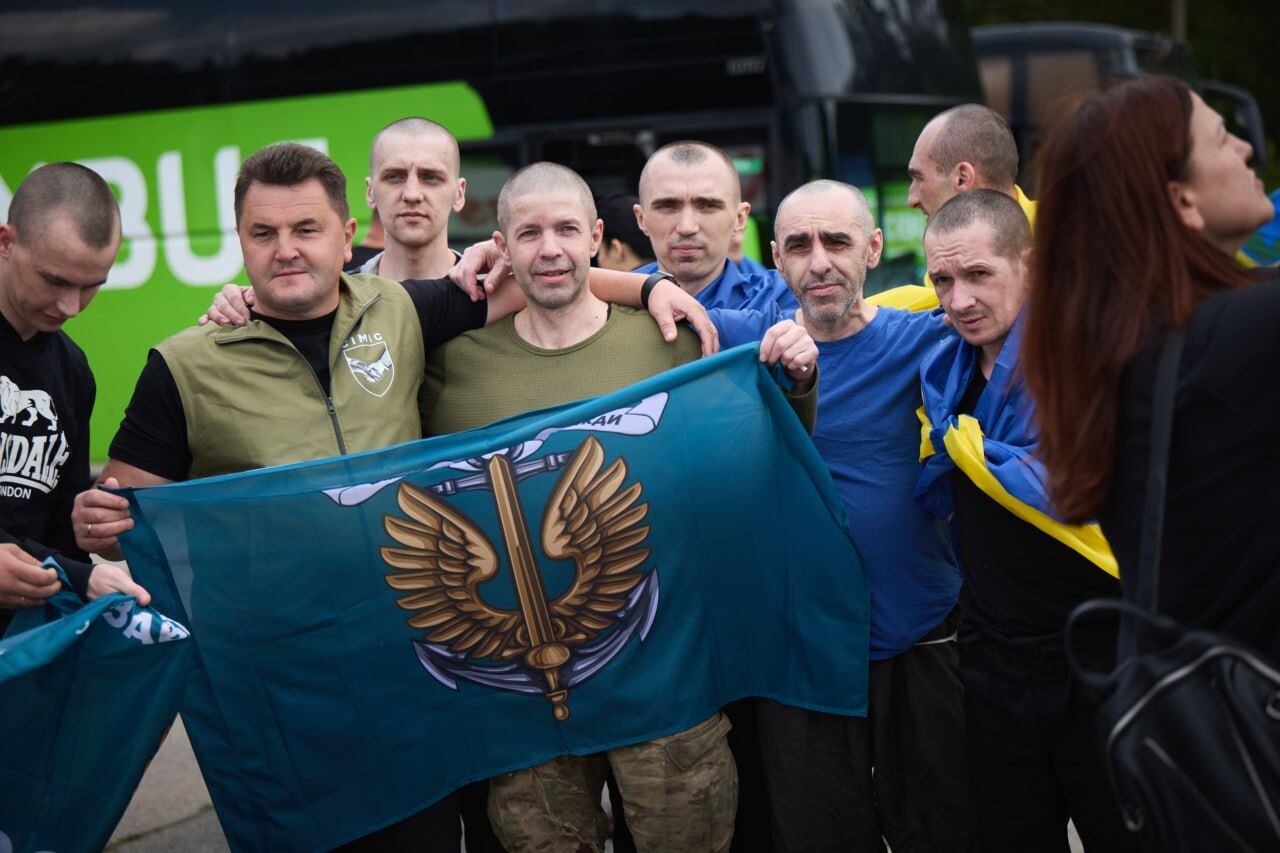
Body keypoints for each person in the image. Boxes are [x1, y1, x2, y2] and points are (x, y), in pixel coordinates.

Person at [421, 161, 818, 853]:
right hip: (526, 708)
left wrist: (800, 377)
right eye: (531, 232)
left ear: (599, 236)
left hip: (664, 687)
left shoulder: (674, 340)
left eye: (568, 229)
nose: (550, 249)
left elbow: (765, 451)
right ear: (500, 246)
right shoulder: (451, 364)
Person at [711, 180, 972, 852]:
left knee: (944, 826)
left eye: (837, 241)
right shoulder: (746, 338)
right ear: (775, 257)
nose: (819, 261)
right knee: (819, 833)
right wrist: (649, 288)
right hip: (801, 645)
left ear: (874, 249)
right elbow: (632, 295)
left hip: (919, 634)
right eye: (799, 244)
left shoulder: (925, 338)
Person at [1022, 77, 1278, 659]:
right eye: (1220, 139)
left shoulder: (1126, 350)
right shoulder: (1241, 337)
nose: (1245, 149)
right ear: (1182, 201)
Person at [916, 189, 1134, 852]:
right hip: (993, 662)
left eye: (979, 275)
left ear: (1031, 267)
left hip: (1104, 655)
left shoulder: (1093, 362)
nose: (958, 300)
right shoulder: (939, 368)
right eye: (942, 281)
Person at [0, 163, 148, 630]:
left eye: (92, 286)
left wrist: (91, 525)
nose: (71, 307)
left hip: (26, 648)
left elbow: (61, 532)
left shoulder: (72, 369)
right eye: (55, 280)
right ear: (5, 242)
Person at [630, 140, 796, 312]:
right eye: (668, 206)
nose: (687, 227)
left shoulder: (779, 302)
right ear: (641, 219)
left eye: (707, 206)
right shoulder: (610, 306)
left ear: (739, 218)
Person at [358, 117, 466, 280]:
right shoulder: (339, 300)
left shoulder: (495, 297)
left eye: (430, 177)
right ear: (370, 192)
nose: (412, 194)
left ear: (459, 194)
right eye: (394, 177)